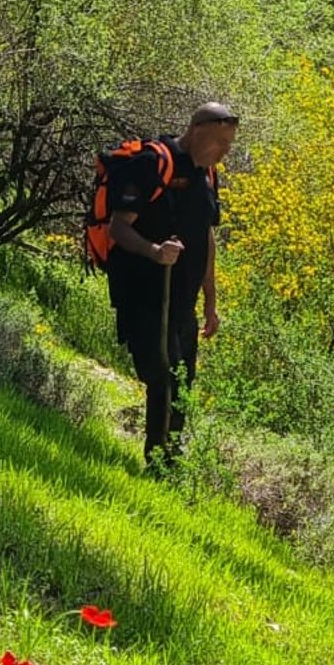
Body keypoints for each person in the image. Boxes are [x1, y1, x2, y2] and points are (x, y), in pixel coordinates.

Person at [106, 102, 238, 469]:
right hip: (146, 295)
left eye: (229, 144)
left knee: (184, 381)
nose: (225, 152)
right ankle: (159, 462)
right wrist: (153, 251)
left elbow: (206, 238)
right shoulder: (153, 164)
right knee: (163, 379)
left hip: (183, 302)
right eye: (221, 143)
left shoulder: (209, 176)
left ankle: (171, 459)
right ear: (197, 131)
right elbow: (118, 227)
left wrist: (211, 300)